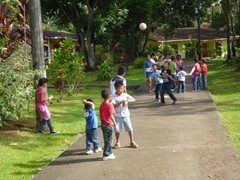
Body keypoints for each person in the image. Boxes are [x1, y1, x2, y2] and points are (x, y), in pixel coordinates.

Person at [111, 81, 138, 149]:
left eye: (122, 88)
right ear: (116, 88)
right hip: (117, 115)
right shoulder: (113, 96)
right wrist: (120, 102)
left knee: (130, 128)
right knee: (117, 130)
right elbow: (112, 106)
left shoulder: (125, 95)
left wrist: (127, 101)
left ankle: (132, 141)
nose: (121, 90)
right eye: (120, 88)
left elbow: (134, 99)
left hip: (126, 114)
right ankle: (117, 142)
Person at [100, 89, 118, 161]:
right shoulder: (109, 105)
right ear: (109, 96)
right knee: (109, 140)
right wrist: (115, 125)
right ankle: (106, 154)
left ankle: (109, 153)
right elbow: (111, 115)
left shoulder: (102, 104)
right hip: (108, 124)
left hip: (103, 124)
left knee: (107, 139)